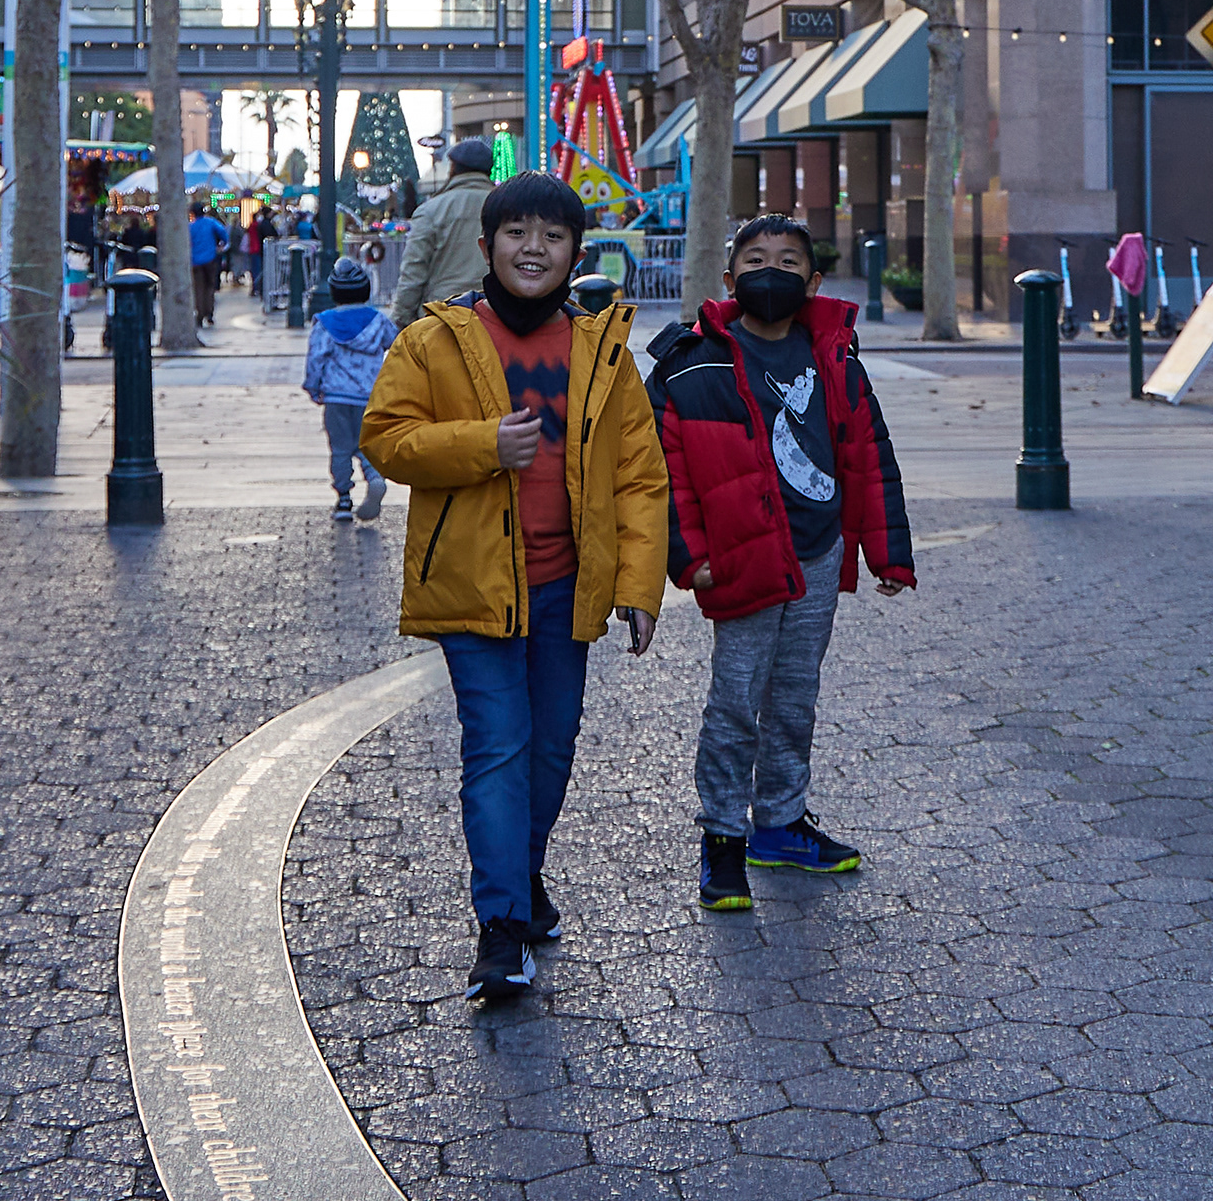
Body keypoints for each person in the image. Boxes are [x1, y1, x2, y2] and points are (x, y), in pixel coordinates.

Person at [359, 173, 668, 1002]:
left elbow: (641, 477)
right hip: (475, 586)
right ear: (488, 244)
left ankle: (521, 877)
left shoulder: (603, 349)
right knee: (498, 746)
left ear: (575, 252)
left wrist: (640, 586)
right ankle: (500, 926)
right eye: (517, 233)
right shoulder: (437, 339)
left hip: (570, 588)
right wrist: (482, 445)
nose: (534, 248)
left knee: (553, 747)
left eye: (554, 236)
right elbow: (385, 438)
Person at [646, 213, 914, 916]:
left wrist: (889, 555)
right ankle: (723, 842)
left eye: (790, 261)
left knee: (794, 698)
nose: (774, 272)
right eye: (758, 260)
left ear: (814, 281)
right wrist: (688, 558)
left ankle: (781, 823)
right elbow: (661, 473)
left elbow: (870, 457)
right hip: (741, 557)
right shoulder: (692, 363)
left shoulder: (835, 357)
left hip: (818, 553)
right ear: (730, 281)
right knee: (736, 701)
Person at [302, 256, 395, 521]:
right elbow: (397, 344)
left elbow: (316, 357)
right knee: (367, 445)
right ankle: (375, 477)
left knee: (341, 449)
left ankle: (343, 499)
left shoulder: (325, 322)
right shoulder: (377, 320)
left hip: (337, 397)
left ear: (333, 292)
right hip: (370, 398)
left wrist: (313, 386)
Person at [386, 135, 500, 326]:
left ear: (453, 168)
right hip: (494, 311)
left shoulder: (431, 210)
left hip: (442, 314)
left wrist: (401, 319)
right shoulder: (505, 207)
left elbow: (414, 270)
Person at [187, 197, 228, 331]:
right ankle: (209, 312)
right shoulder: (211, 223)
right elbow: (223, 233)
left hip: (195, 261)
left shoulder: (190, 227)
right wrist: (222, 245)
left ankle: (199, 314)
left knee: (198, 288)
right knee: (210, 287)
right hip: (210, 259)